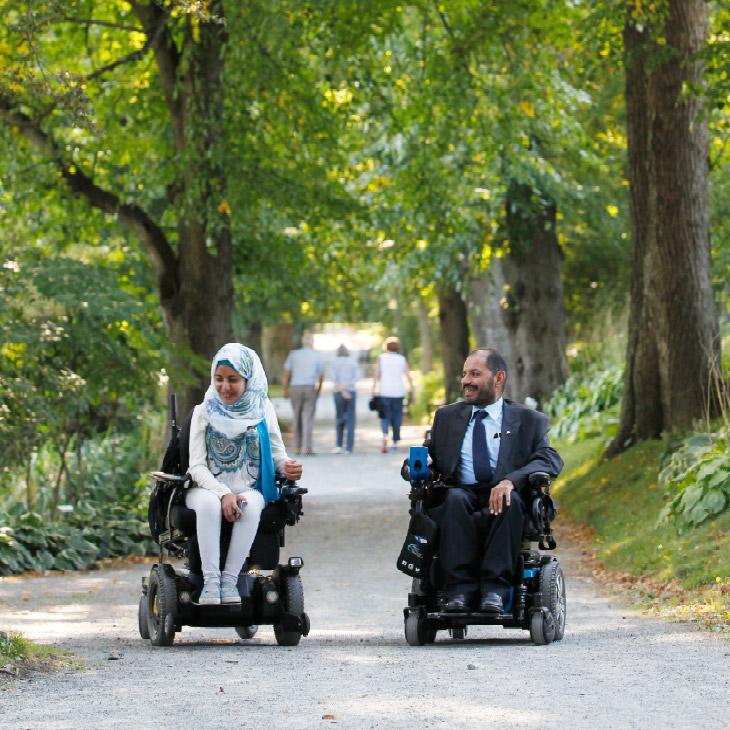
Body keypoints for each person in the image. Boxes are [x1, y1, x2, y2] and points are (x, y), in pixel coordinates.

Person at [418, 348, 562, 613]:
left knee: (509, 500)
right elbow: (432, 455)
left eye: (475, 374)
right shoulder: (447, 417)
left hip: (506, 497)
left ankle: (495, 590)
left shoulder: (528, 420)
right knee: (454, 498)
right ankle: (458, 590)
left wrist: (510, 481)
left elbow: (550, 460)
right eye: (464, 374)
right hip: (460, 495)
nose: (466, 381)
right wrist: (419, 464)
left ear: (498, 378)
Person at [187, 343, 303, 606]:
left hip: (248, 487)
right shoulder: (203, 411)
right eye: (219, 379)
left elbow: (276, 455)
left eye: (233, 380)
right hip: (206, 488)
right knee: (208, 504)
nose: (224, 387)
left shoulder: (263, 410)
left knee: (248, 505)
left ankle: (230, 581)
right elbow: (196, 466)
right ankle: (211, 581)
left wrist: (288, 467)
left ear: (248, 380)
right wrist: (223, 493)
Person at [282, 332, 324, 456]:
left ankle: (296, 447)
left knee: (296, 417)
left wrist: (285, 389)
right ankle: (307, 448)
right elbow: (321, 375)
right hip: (310, 386)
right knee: (308, 418)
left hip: (295, 387)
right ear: (312, 343)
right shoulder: (317, 355)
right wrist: (319, 389)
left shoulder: (293, 355)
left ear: (303, 342)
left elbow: (286, 373)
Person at [372, 336, 414, 453]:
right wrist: (412, 390)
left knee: (384, 416)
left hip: (384, 391)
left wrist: (373, 389)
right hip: (398, 392)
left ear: (386, 347)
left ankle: (385, 435)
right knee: (397, 416)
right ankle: (395, 441)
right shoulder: (401, 359)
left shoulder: (381, 358)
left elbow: (376, 375)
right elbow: (408, 375)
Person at [330, 344, 360, 453]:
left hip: (338, 392)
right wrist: (346, 390)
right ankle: (349, 447)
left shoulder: (334, 362)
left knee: (339, 418)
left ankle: (338, 445)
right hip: (351, 392)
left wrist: (342, 390)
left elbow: (334, 380)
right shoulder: (353, 362)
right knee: (351, 419)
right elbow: (356, 378)